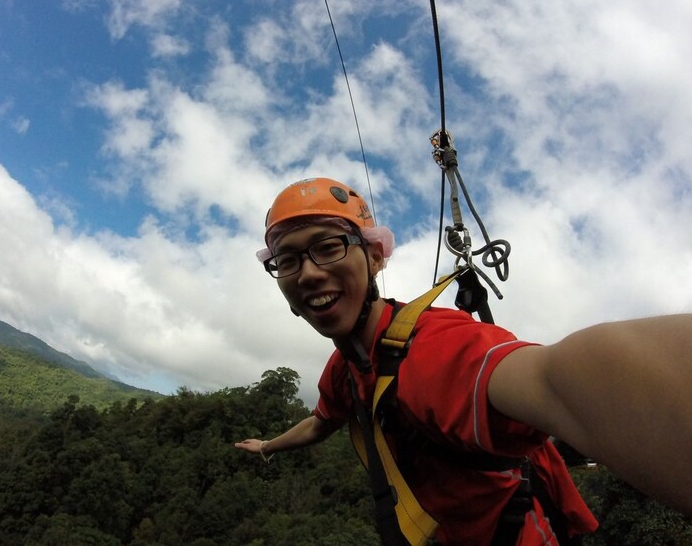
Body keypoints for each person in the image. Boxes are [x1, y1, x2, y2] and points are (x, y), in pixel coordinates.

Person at [235, 177, 692, 545]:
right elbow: (321, 422)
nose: (309, 271)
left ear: (375, 257)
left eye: (329, 246)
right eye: (288, 259)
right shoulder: (346, 369)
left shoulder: (432, 348)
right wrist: (269, 447)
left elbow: (559, 379)